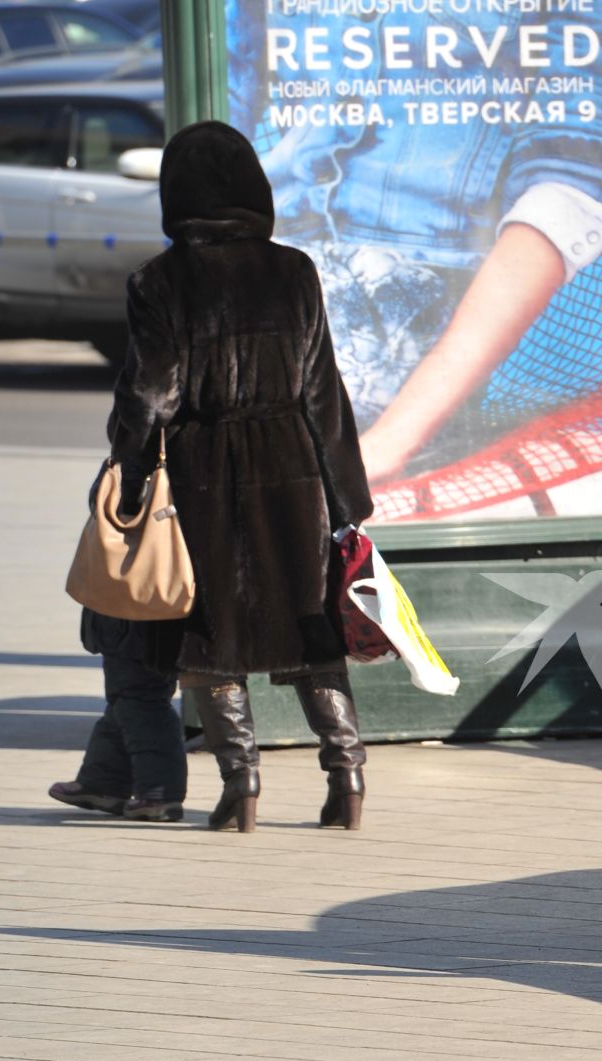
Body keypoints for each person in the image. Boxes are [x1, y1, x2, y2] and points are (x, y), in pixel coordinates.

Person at [233, 2, 602, 517]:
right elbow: (222, 87)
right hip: (264, 290)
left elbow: (573, 174)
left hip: (400, 334)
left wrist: (391, 440)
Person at [110, 122, 374, 833]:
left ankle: (242, 786)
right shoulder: (294, 271)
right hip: (291, 470)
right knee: (310, 630)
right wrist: (347, 497)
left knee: (210, 634)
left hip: (202, 471)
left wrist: (129, 476)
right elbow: (324, 391)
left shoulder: (159, 282)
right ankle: (346, 776)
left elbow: (150, 394)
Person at [48, 609, 186, 823]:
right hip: (128, 610)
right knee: (123, 698)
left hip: (144, 608)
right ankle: (104, 783)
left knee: (141, 697)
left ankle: (159, 795)